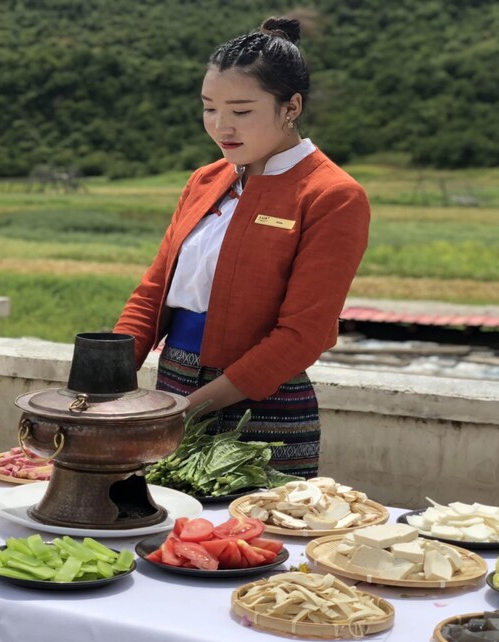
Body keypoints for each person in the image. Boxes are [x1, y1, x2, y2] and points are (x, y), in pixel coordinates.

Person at [114, 16, 370, 478]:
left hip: (264, 411)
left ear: (291, 106)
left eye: (242, 111)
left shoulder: (331, 195)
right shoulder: (205, 180)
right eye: (209, 108)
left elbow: (303, 335)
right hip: (172, 388)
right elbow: (153, 293)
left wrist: (186, 411)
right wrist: (104, 383)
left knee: (254, 524)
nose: (221, 127)